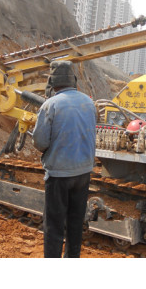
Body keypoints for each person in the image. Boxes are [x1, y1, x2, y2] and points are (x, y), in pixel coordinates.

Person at [32, 61, 97, 258]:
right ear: (73, 81)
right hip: (84, 172)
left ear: (52, 82)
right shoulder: (89, 102)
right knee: (75, 223)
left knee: (54, 225)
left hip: (59, 174)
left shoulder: (50, 105)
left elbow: (40, 142)